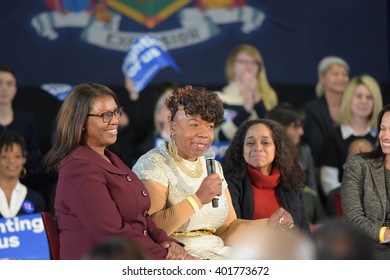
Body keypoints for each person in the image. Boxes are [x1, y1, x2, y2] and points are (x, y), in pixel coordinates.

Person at [132, 85, 290, 260]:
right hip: (179, 256)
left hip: (217, 251)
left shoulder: (213, 166)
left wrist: (268, 225)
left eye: (210, 126)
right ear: (173, 126)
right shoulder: (153, 164)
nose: (204, 134)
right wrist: (197, 199)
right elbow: (151, 230)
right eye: (194, 125)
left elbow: (226, 229)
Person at [43, 82, 194, 260]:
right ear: (81, 121)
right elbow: (113, 235)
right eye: (105, 115)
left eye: (116, 112)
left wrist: (169, 243)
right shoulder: (79, 168)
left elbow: (142, 217)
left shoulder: (111, 158)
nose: (115, 120)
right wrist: (169, 258)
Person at [222, 119, 310, 233]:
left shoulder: (290, 182)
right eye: (250, 143)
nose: (257, 148)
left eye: (265, 142)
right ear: (241, 149)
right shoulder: (229, 184)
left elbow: (304, 233)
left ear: (277, 148)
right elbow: (229, 232)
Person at [320, 75, 382, 197]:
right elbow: (329, 185)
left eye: (369, 97)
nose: (364, 101)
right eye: (359, 96)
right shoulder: (333, 138)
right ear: (348, 99)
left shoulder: (382, 136)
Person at [341, 104, 390, 259]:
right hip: (372, 247)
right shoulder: (359, 165)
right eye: (382, 128)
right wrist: (385, 233)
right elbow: (353, 218)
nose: (385, 135)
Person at [267, 104, 327, 225]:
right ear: (279, 127)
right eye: (295, 126)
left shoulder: (304, 150)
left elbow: (311, 187)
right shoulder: (266, 153)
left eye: (301, 126)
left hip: (303, 201)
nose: (301, 131)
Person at [214, 44, 278, 142]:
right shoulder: (218, 98)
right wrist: (246, 109)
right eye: (243, 61)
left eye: (254, 62)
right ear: (232, 66)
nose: (249, 66)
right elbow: (219, 136)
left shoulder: (269, 97)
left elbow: (274, 133)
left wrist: (256, 98)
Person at [302, 56, 350, 166]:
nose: (341, 78)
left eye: (344, 75)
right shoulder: (311, 110)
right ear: (322, 78)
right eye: (335, 74)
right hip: (319, 168)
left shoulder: (353, 108)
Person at [0, 65, 41, 174]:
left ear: (15, 89)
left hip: (21, 179)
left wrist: (17, 163)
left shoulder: (27, 120)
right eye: (0, 83)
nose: (4, 88)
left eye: (9, 84)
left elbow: (34, 153)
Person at [0, 130, 45, 218]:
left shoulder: (35, 199)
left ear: (24, 159)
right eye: (5, 157)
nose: (12, 161)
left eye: (17, 156)